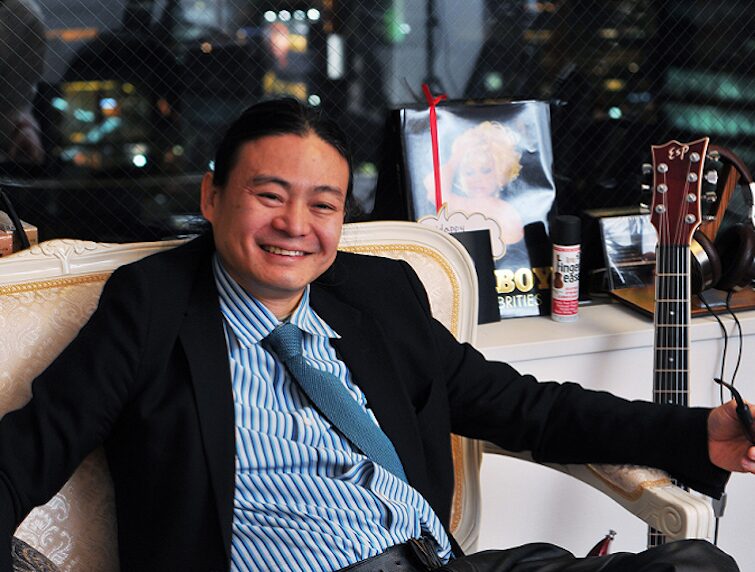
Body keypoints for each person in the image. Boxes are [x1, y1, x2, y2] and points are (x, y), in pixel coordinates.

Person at [0, 98, 752, 572]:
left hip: (437, 563)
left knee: (694, 564)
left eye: (322, 205)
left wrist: (698, 432)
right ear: (212, 196)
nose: (295, 226)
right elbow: (24, 455)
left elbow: (525, 406)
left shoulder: (376, 294)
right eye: (269, 196)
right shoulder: (153, 306)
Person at [424, 121, 525, 245]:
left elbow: (513, 247)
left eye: (486, 170)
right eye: (469, 172)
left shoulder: (505, 211)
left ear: (501, 171)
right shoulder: (460, 204)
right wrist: (456, 158)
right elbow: (433, 188)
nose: (477, 179)